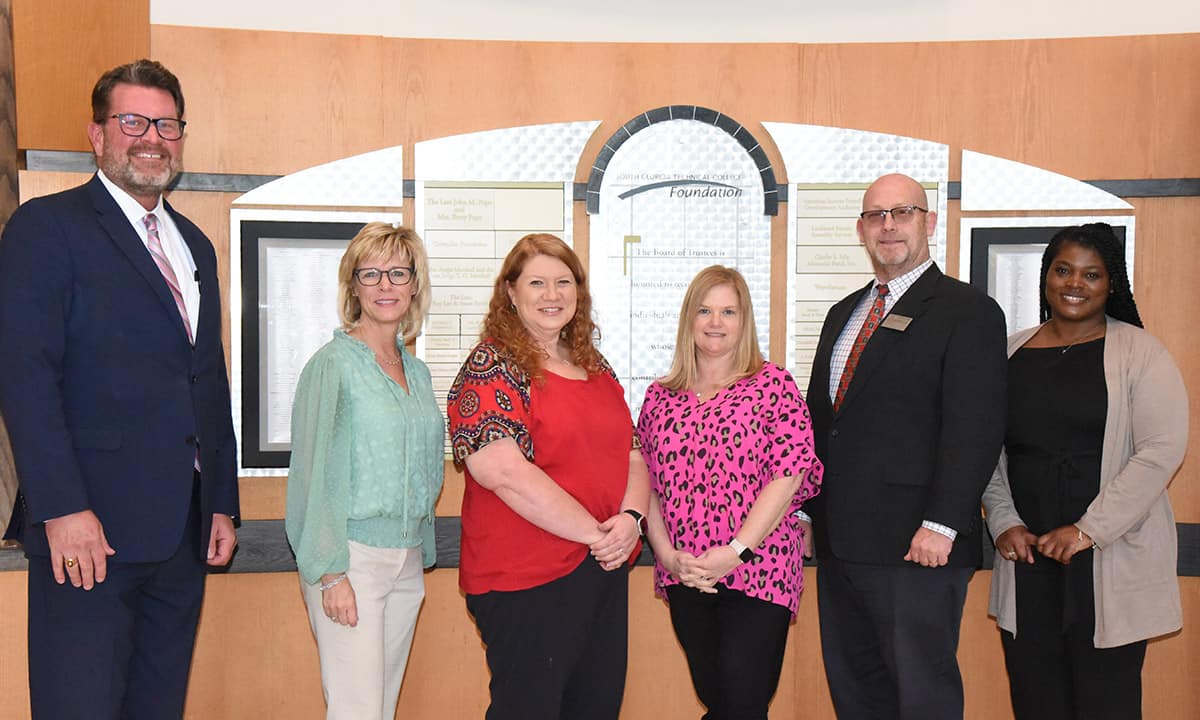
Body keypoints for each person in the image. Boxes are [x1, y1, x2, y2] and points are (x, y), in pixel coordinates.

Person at [0, 59, 239, 719]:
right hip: (89, 534)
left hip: (182, 534)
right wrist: (62, 509)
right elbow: (25, 377)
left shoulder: (194, 244)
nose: (150, 137)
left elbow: (205, 377)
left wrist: (221, 501)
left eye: (165, 123)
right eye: (132, 121)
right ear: (97, 135)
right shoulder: (47, 230)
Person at [803, 173, 1007, 719]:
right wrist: (804, 513)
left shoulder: (968, 311)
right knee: (856, 692)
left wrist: (943, 523)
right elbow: (825, 424)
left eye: (903, 212)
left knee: (922, 697)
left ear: (930, 222)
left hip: (918, 547)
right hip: (842, 543)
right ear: (861, 230)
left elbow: (977, 426)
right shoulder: (843, 313)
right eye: (876, 215)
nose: (888, 226)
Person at [982, 223, 1187, 720]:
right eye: (1064, 270)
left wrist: (1086, 531)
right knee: (1036, 701)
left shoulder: (1141, 352)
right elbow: (982, 448)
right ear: (1046, 276)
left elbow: (1162, 450)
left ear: (1111, 284)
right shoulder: (1007, 352)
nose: (1075, 283)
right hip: (1029, 560)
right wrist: (1003, 521)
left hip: (1109, 557)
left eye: (1092, 274)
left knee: (1106, 703)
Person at [446, 233, 649, 720]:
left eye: (563, 282)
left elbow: (635, 454)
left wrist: (632, 518)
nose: (552, 294)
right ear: (511, 292)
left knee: (595, 707)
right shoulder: (492, 365)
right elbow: (503, 472)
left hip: (600, 569)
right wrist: (596, 533)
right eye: (537, 282)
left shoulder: (595, 367)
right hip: (525, 577)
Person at [636, 265, 823, 719]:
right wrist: (667, 557)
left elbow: (790, 473)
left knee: (742, 701)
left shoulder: (773, 385)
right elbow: (647, 484)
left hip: (759, 570)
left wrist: (736, 551)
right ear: (688, 319)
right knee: (719, 698)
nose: (715, 322)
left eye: (728, 311)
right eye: (705, 310)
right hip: (688, 573)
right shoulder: (660, 397)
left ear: (744, 321)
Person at [286, 222, 444, 720]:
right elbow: (313, 476)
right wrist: (331, 575)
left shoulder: (415, 371)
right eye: (370, 273)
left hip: (406, 558)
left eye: (398, 273)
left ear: (415, 284)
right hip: (349, 559)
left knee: (380, 708)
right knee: (356, 711)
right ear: (352, 285)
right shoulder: (334, 364)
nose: (385, 286)